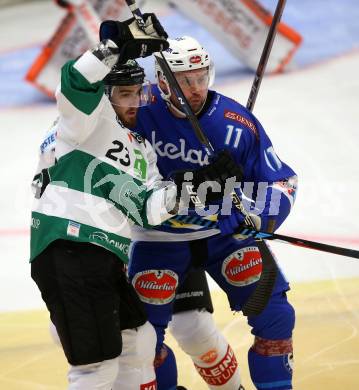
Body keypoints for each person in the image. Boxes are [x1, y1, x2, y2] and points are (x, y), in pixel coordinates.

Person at [128, 36, 298, 390]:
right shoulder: (136, 109)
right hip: (157, 239)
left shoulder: (234, 122)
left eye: (201, 77)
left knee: (276, 319)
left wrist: (258, 213)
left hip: (224, 236)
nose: (196, 89)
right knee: (143, 344)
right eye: (185, 80)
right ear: (161, 79)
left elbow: (283, 182)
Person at [30, 14, 173, 390]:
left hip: (103, 258)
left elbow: (151, 209)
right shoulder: (82, 121)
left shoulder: (140, 146)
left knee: (137, 340)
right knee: (96, 370)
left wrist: (200, 185)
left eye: (137, 93)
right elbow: (75, 81)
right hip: (71, 248)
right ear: (105, 95)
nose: (135, 103)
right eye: (124, 94)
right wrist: (111, 48)